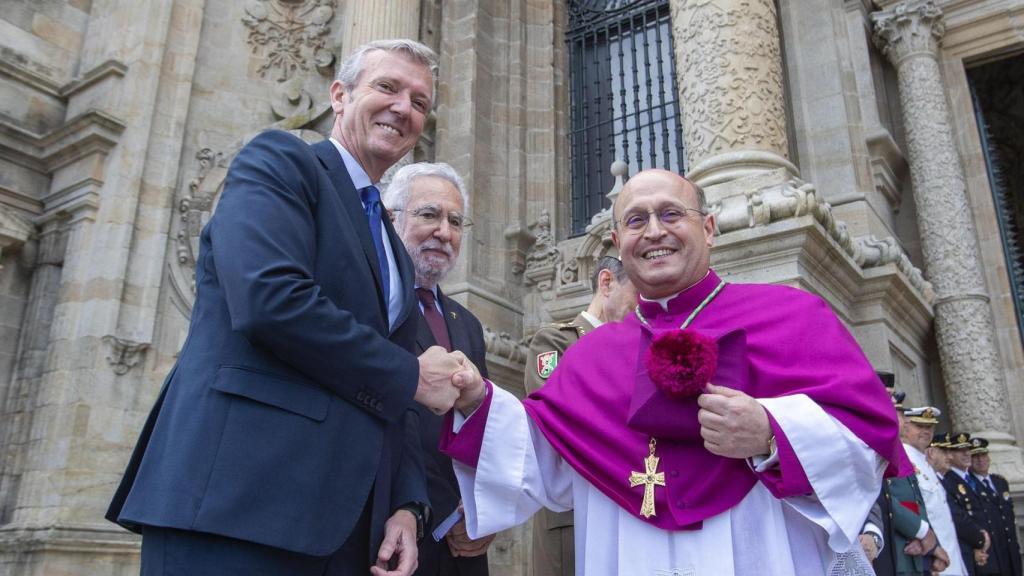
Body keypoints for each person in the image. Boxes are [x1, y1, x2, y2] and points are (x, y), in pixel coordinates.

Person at [106, 39, 471, 576]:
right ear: (340, 95)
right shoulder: (281, 161)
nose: (404, 108)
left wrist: (406, 503)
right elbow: (269, 299)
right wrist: (411, 375)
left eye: (420, 101)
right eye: (388, 87)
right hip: (238, 503)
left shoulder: (394, 244)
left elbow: (389, 390)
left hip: (345, 529)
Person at [441, 169, 910, 575]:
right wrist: (475, 399)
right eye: (636, 220)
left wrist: (772, 433)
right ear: (618, 245)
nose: (653, 232)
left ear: (708, 228)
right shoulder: (590, 355)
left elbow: (868, 438)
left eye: (671, 214)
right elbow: (546, 458)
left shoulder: (793, 317)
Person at [383, 162, 495, 575]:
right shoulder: (374, 305)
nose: (444, 232)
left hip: (465, 542)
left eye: (455, 221)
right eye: (429, 214)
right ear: (392, 219)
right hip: (392, 529)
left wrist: (486, 512)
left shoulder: (465, 322)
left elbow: (477, 426)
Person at [523, 255, 636, 576]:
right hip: (571, 513)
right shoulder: (556, 339)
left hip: (628, 508)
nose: (642, 307)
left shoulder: (641, 345)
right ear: (606, 282)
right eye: (638, 294)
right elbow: (555, 415)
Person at [901, 406, 963, 574]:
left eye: (929, 427)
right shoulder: (904, 459)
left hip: (949, 554)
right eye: (919, 426)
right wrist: (931, 551)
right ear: (905, 426)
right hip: (932, 555)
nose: (925, 431)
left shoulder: (925, 460)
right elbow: (908, 508)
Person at [970, 437, 1022, 576]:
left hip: (1010, 550)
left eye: (983, 455)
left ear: (988, 457)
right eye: (975, 456)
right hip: (991, 554)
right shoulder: (969, 485)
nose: (980, 460)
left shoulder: (1000, 482)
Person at [943, 433, 992, 574]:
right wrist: (977, 545)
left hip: (986, 552)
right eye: (960, 450)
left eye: (967, 449)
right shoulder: (949, 480)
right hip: (968, 551)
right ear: (950, 454)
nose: (966, 454)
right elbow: (959, 520)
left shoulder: (973, 479)